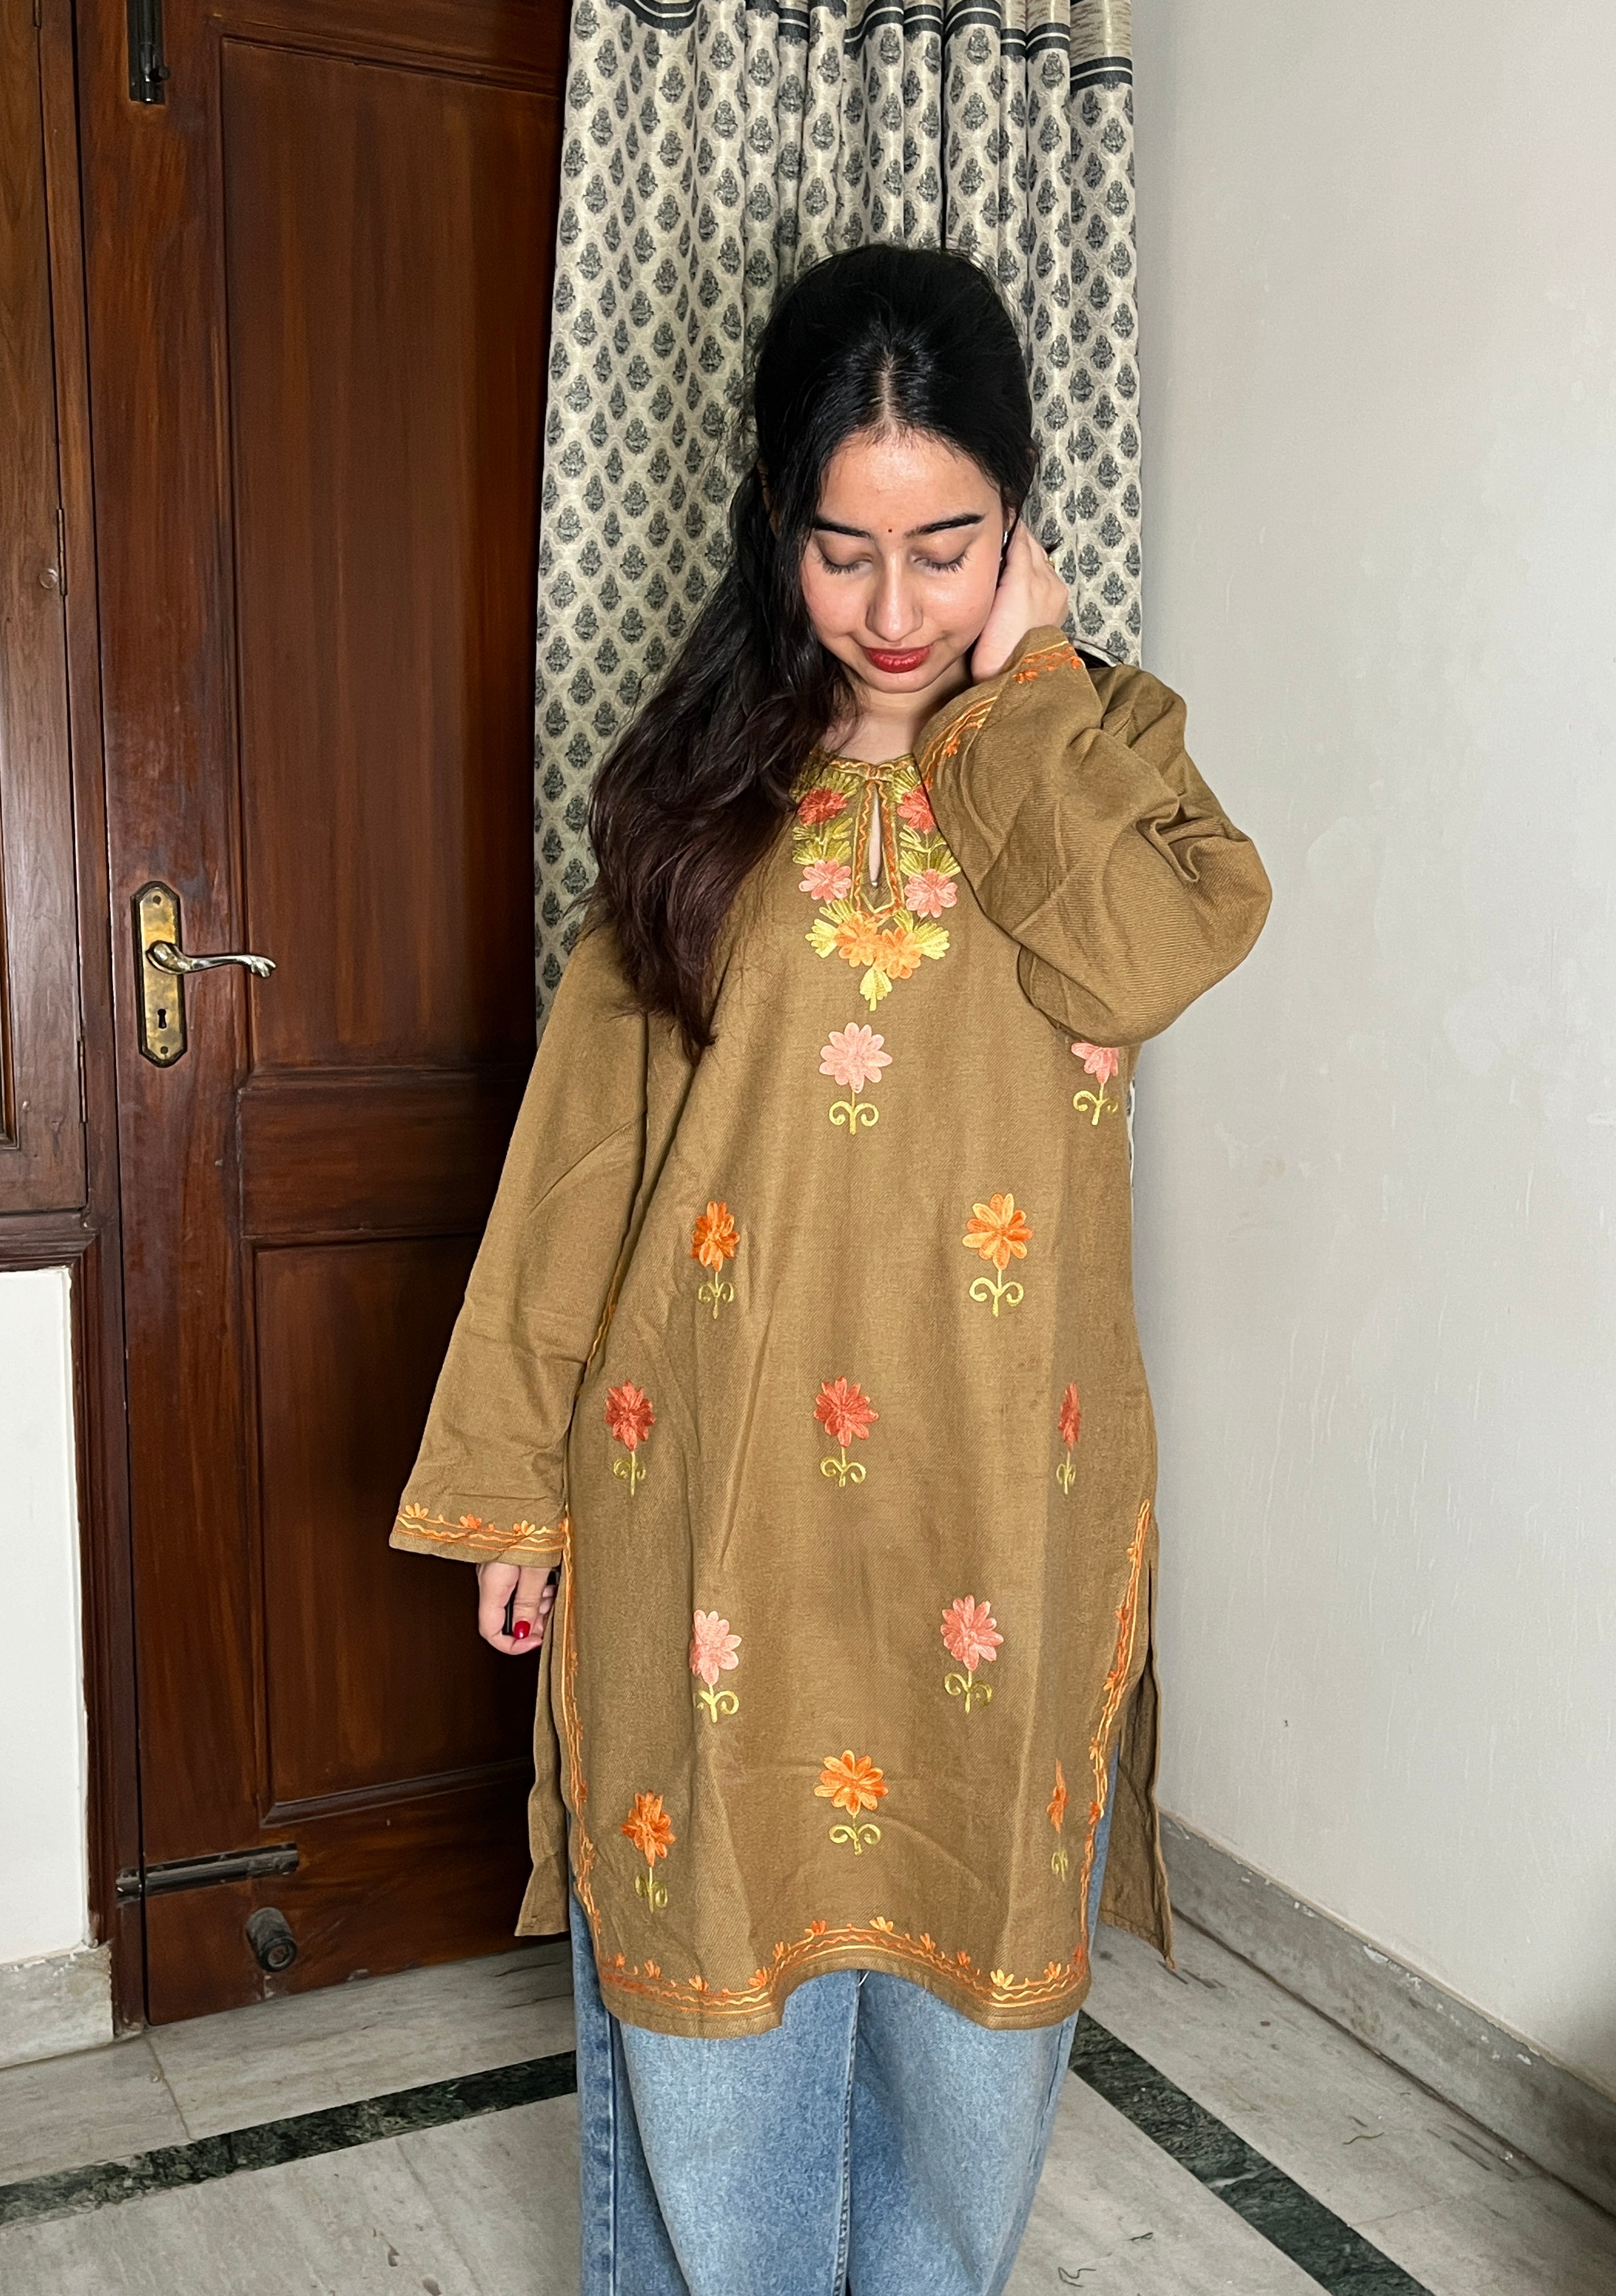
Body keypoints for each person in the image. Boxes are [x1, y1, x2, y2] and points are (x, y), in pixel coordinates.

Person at [390, 244, 1271, 2295]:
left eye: (947, 549)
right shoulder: (697, 792)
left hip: (997, 1518)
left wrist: (1024, 700)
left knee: (967, 2102)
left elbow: (1151, 955)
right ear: (773, 525)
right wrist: (510, 1482)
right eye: (843, 549)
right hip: (715, 1514)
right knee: (718, 2090)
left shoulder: (1105, 761)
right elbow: (581, 1162)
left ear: (1021, 526)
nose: (893, 611)